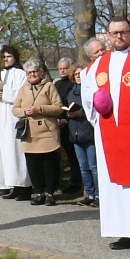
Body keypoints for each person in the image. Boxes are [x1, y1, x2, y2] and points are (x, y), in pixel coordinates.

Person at [83, 16, 130, 251]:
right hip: (108, 131)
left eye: (123, 32)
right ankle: (126, 232)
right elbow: (88, 93)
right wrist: (97, 101)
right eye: (114, 33)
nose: (119, 37)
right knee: (114, 184)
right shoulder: (98, 65)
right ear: (108, 35)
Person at [12, 59, 66, 205]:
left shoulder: (49, 86)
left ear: (41, 72)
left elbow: (58, 107)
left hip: (47, 132)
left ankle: (50, 192)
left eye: (34, 71)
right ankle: (38, 192)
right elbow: (15, 109)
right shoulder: (23, 89)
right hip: (30, 134)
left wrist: (40, 109)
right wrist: (25, 111)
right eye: (29, 73)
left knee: (49, 164)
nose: (32, 75)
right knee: (33, 165)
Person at [0, 47, 31, 198]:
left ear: (15, 57)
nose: (6, 59)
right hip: (2, 115)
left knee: (16, 151)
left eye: (9, 56)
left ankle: (24, 186)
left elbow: (22, 95)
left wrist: (5, 90)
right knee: (6, 152)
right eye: (4, 57)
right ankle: (12, 184)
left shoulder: (21, 73)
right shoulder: (0, 74)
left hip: (13, 116)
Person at [64, 66, 98, 207]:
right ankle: (89, 194)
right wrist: (68, 114)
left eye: (80, 74)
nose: (78, 76)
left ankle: (98, 194)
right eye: (75, 74)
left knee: (93, 166)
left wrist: (82, 113)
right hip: (75, 132)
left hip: (88, 131)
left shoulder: (89, 89)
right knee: (83, 166)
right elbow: (66, 107)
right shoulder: (70, 91)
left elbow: (94, 107)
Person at [55, 56, 82, 195]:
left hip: (73, 122)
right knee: (69, 156)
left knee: (76, 156)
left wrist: (66, 118)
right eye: (60, 69)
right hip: (60, 123)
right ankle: (71, 182)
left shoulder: (73, 83)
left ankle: (78, 183)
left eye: (65, 68)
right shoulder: (57, 84)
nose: (62, 71)